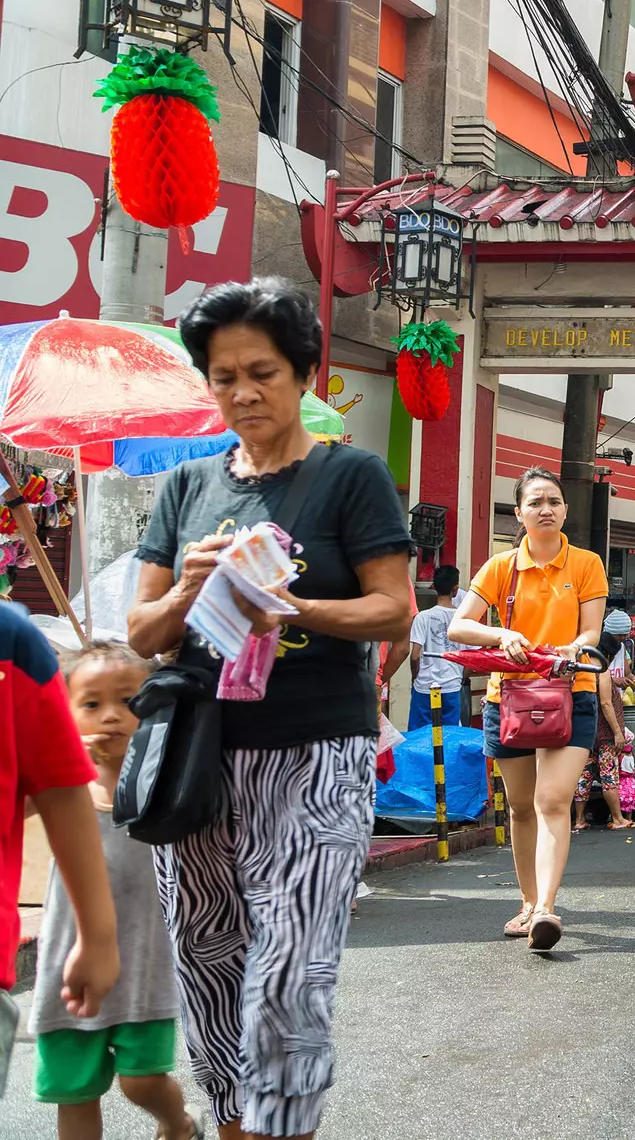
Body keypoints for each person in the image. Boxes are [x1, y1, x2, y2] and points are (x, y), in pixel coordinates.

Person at [128, 278, 414, 1134]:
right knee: (209, 962)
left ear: (303, 374)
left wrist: (285, 608)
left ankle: (277, 1124)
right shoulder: (185, 487)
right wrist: (186, 589)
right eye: (223, 376)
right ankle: (232, 1120)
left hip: (315, 754)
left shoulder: (351, 476)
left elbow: (393, 607)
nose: (243, 391)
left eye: (262, 371)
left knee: (288, 971)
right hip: (197, 757)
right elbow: (142, 633)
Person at [32, 643, 200, 1139]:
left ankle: (178, 1123)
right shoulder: (60, 788)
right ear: (65, 715)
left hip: (145, 966)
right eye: (90, 704)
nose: (110, 716)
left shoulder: (167, 786)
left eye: (127, 701)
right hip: (70, 967)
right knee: (74, 1092)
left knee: (142, 1080)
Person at [447, 467, 607, 951]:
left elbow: (591, 635)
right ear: (518, 513)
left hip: (571, 693)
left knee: (553, 801)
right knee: (520, 808)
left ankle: (545, 909)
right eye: (536, 502)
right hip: (510, 701)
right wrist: (503, 634)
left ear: (565, 511)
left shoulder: (586, 564)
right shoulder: (500, 568)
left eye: (554, 501)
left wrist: (567, 652)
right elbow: (459, 627)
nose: (546, 509)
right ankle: (527, 900)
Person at [5, 613, 120, 1108]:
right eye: (91, 704)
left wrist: (98, 937)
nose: (109, 717)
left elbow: (59, 793)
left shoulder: (13, 645)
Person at [574, 610, 635, 832]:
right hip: (604, 733)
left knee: (584, 775)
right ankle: (618, 818)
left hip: (587, 731)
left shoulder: (585, 664)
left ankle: (579, 819)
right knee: (609, 774)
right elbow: (606, 704)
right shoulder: (600, 669)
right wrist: (617, 733)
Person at [405, 564, 466, 731]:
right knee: (449, 737)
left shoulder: (423, 617)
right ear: (455, 589)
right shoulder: (464, 620)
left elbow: (415, 656)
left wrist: (414, 677)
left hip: (425, 687)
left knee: (420, 736)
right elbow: (469, 659)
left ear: (434, 586)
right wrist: (461, 677)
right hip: (452, 686)